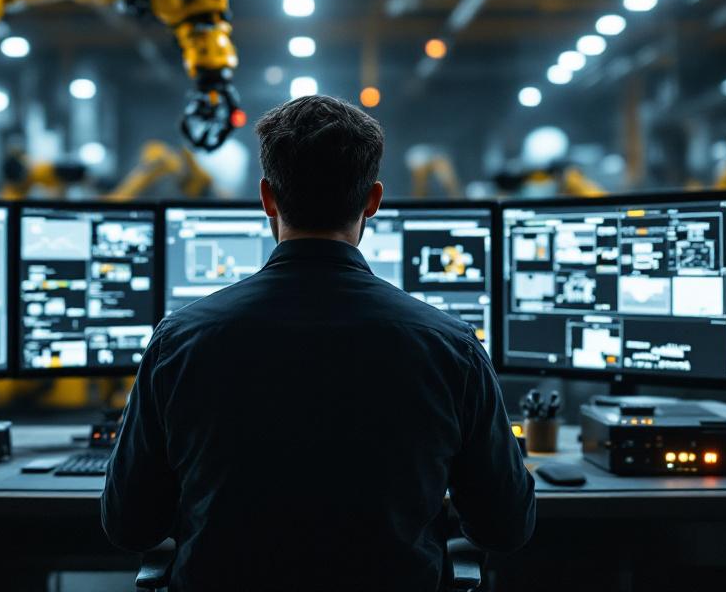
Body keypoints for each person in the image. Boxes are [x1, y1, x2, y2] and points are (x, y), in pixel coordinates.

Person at [102, 95, 536, 591]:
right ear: (373, 200)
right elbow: (505, 529)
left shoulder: (179, 341)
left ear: (267, 198)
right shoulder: (450, 347)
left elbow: (129, 525)